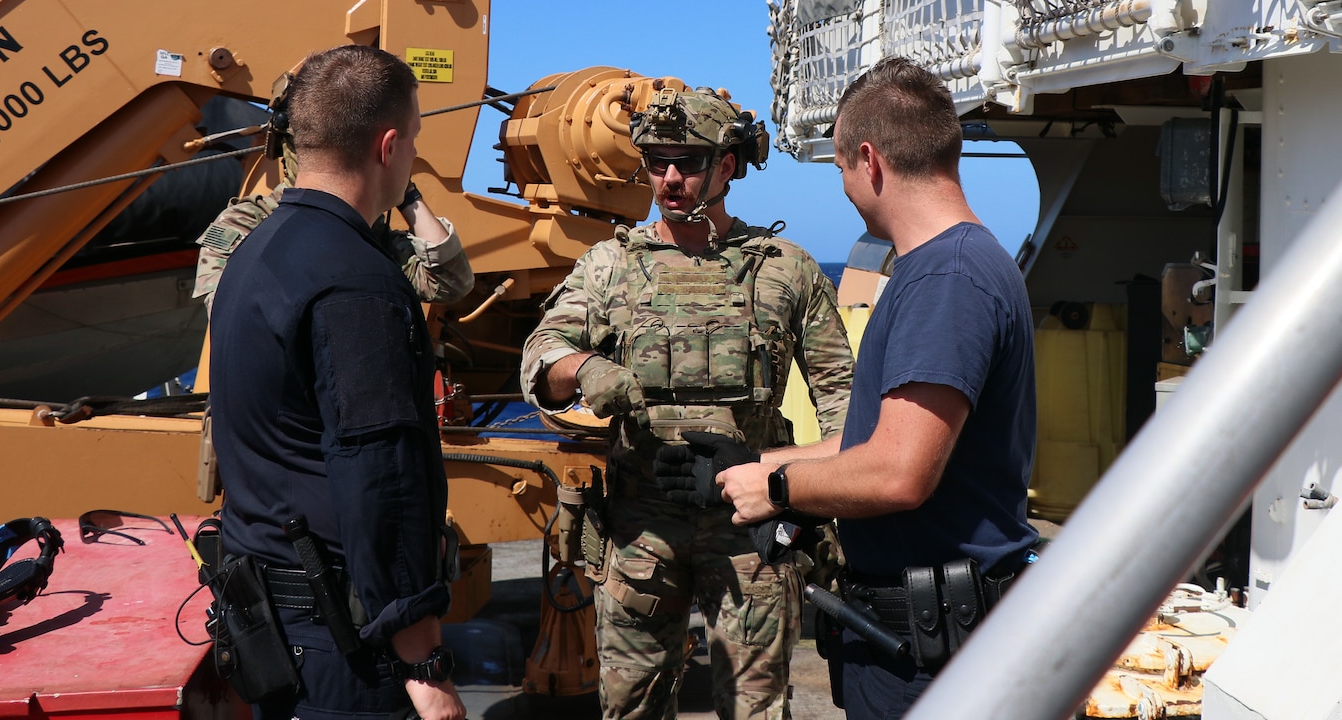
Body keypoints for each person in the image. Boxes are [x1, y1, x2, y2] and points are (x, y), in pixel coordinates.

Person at [715, 57, 1038, 720]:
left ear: (870, 160)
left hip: (928, 658)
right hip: (927, 639)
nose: (843, 188)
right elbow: (879, 441)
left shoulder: (946, 280)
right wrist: (762, 464)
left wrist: (776, 492)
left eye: (837, 169)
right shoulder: (966, 262)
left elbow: (899, 473)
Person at [520, 86, 855, 720]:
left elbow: (843, 401)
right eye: (656, 160)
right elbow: (540, 354)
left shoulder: (785, 270)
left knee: (755, 710)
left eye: (690, 161)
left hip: (749, 532)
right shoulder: (611, 267)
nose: (670, 178)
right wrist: (582, 366)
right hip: (642, 532)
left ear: (727, 166)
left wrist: (806, 489)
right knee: (630, 705)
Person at [209, 45, 467, 720]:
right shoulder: (356, 281)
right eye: (412, 139)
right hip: (345, 646)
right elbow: (380, 476)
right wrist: (426, 661)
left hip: (269, 627)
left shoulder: (257, 254)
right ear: (389, 146)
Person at [194, 135, 474, 312]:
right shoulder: (247, 222)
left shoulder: (371, 233)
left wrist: (406, 193)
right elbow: (231, 313)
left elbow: (451, 283)